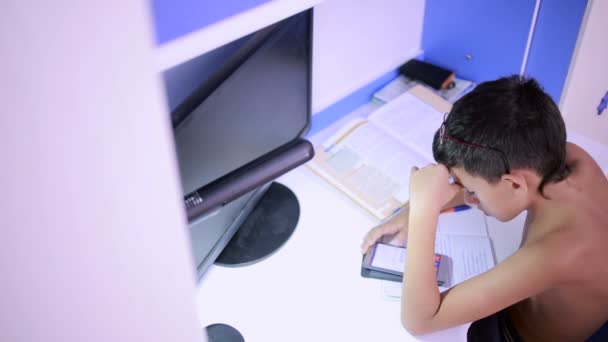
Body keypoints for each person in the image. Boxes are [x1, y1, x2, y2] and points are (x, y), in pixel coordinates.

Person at [360, 76, 608, 341]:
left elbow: (420, 320)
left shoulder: (558, 251)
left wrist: (424, 211)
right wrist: (409, 212)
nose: (468, 198)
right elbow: (489, 178)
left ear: (513, 183)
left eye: (472, 191)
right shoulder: (568, 156)